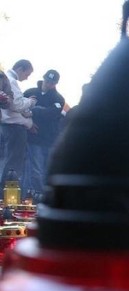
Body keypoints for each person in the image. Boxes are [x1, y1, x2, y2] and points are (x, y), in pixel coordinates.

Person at [21, 69, 65, 198]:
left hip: (50, 139)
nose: (49, 84)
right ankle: (37, 195)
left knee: (47, 169)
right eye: (47, 81)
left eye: (52, 82)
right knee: (35, 168)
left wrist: (34, 110)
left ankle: (43, 194)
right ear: (43, 79)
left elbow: (52, 113)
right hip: (34, 137)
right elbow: (20, 109)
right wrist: (29, 121)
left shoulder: (58, 98)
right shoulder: (29, 92)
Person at [0, 59, 37, 193]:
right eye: (27, 74)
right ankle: (7, 197)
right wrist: (31, 102)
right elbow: (16, 104)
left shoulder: (6, 79)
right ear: (20, 69)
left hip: (5, 127)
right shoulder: (11, 80)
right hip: (14, 128)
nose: (27, 78)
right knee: (13, 166)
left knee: (5, 162)